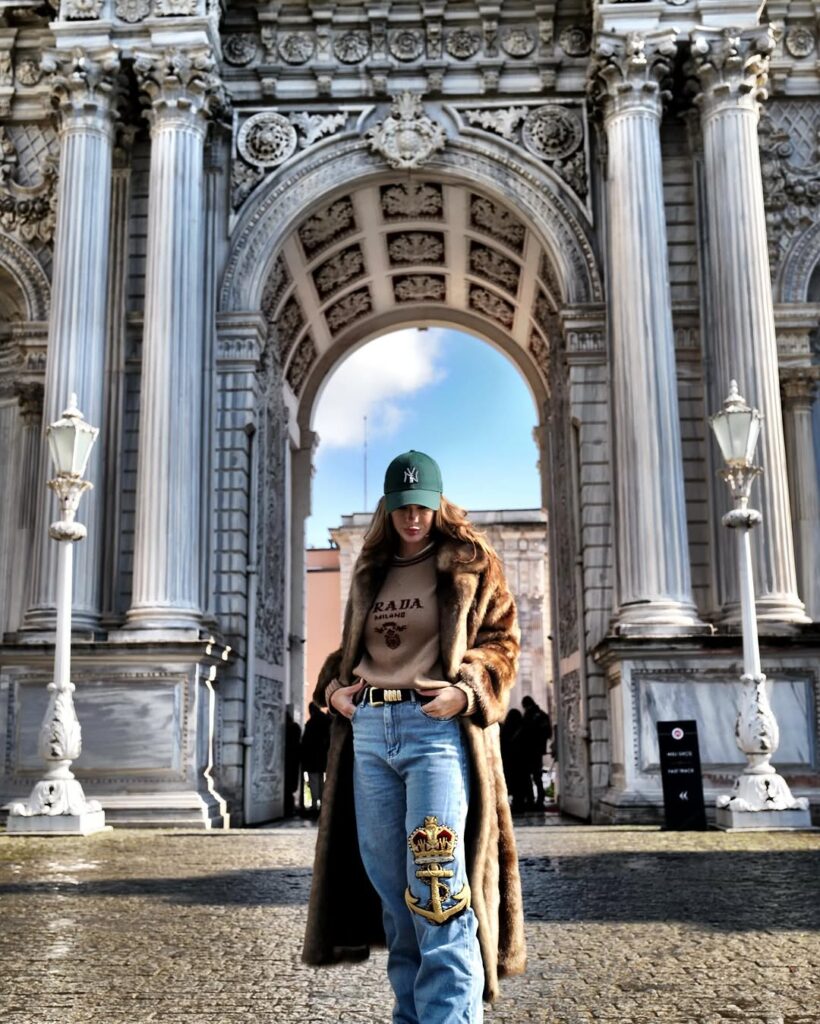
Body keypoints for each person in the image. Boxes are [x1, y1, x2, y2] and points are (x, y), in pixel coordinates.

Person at [302, 450, 525, 1024]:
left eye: (422, 506)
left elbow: (503, 642)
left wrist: (468, 691)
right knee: (394, 896)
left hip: (436, 733)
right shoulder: (371, 567)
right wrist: (333, 690)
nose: (413, 518)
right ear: (388, 507)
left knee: (436, 889)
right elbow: (355, 650)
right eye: (402, 507)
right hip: (370, 735)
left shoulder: (471, 564)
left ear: (438, 503)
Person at [520, 695, 552, 810]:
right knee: (537, 776)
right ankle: (539, 800)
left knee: (529, 776)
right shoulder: (542, 715)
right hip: (537, 750)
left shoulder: (530, 715)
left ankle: (532, 800)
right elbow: (548, 733)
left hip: (529, 750)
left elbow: (524, 732)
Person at [300, 701, 331, 817]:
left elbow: (306, 742)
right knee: (323, 781)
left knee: (314, 782)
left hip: (312, 758)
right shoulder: (326, 720)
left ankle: (314, 805)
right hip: (324, 757)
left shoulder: (311, 723)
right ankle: (323, 805)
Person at [499, 708, 528, 814]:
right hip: (521, 763)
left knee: (509, 784)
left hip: (508, 762)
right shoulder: (523, 729)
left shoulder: (504, 729)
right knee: (520, 786)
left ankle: (509, 806)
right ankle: (520, 805)